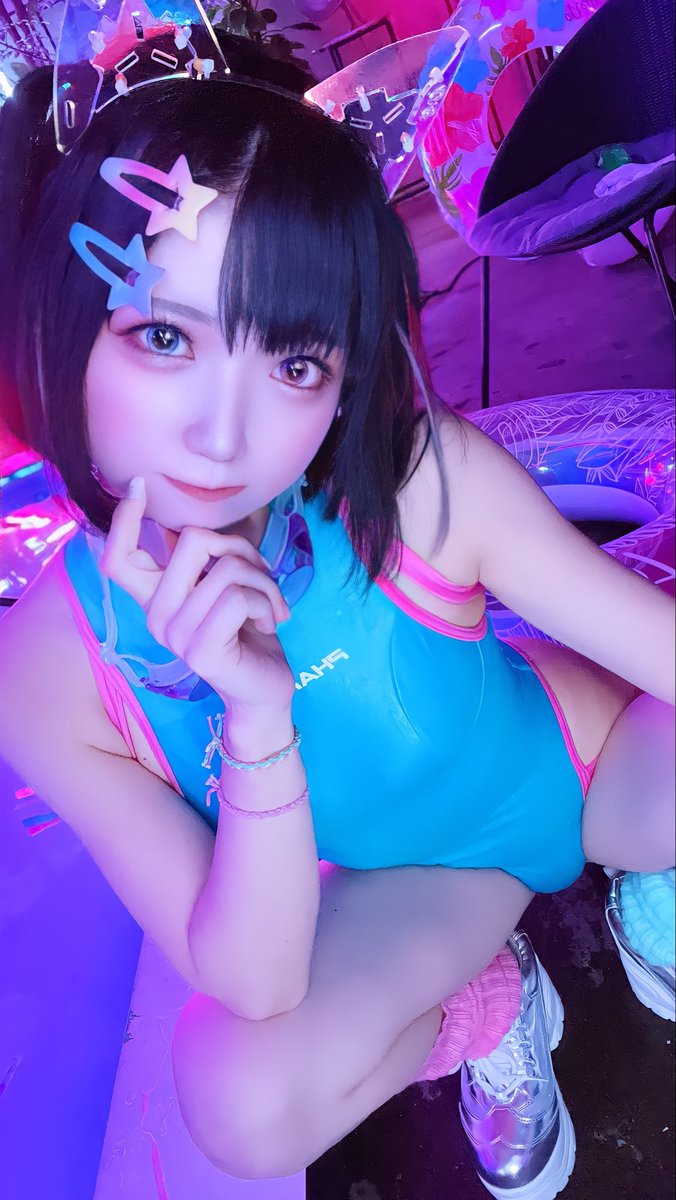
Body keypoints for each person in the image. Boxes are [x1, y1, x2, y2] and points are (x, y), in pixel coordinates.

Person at [0, 18, 673, 1199]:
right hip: (415, 889)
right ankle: (486, 1006)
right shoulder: (49, 671)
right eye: (163, 336)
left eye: (295, 363)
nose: (225, 436)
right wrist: (257, 722)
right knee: (241, 1101)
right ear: (60, 321)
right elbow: (254, 983)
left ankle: (652, 873)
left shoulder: (409, 475)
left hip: (580, 764)